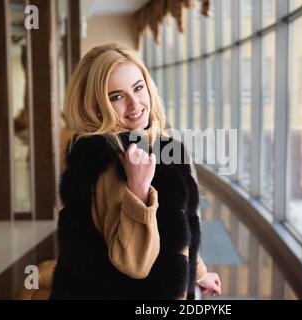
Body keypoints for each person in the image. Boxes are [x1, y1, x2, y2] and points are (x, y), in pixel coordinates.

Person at [49, 43, 221, 300]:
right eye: (116, 96)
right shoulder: (111, 161)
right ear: (96, 105)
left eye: (138, 88)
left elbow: (175, 227)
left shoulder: (156, 143)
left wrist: (197, 272)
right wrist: (138, 192)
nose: (134, 104)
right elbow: (134, 266)